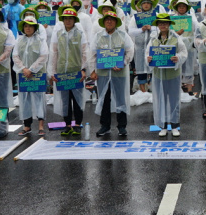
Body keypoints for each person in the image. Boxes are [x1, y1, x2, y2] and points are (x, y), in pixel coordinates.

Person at [93, 11, 135, 137]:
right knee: (104, 98)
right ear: (104, 22)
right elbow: (92, 54)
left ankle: (122, 126)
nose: (109, 22)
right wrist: (92, 71)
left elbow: (130, 50)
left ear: (116, 22)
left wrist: (123, 62)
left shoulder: (123, 35)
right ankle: (104, 126)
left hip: (119, 73)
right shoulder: (98, 36)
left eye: (112, 20)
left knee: (120, 98)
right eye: (107, 20)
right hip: (103, 73)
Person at [49, 7, 89, 136]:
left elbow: (85, 52)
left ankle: (77, 124)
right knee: (65, 100)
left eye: (70, 18)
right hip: (62, 72)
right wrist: (53, 72)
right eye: (66, 18)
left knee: (77, 99)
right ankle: (67, 124)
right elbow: (54, 52)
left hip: (76, 71)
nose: (68, 21)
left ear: (74, 20)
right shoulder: (58, 33)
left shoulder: (80, 33)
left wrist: (83, 69)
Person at [149, 12, 188, 137]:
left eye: (165, 23)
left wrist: (178, 57)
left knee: (174, 100)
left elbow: (183, 52)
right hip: (158, 75)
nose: (163, 25)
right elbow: (147, 53)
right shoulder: (153, 39)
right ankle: (163, 125)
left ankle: (175, 125)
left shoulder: (176, 38)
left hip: (173, 75)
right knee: (161, 100)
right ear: (158, 25)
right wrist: (148, 59)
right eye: (161, 23)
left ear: (169, 24)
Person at [13, 18, 49, 137]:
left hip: (37, 74)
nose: (28, 28)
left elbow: (43, 56)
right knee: (24, 100)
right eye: (26, 26)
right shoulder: (19, 40)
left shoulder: (40, 40)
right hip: (23, 74)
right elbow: (15, 56)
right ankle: (27, 126)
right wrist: (24, 68)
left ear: (35, 28)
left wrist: (32, 69)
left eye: (30, 26)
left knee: (39, 99)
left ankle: (40, 126)